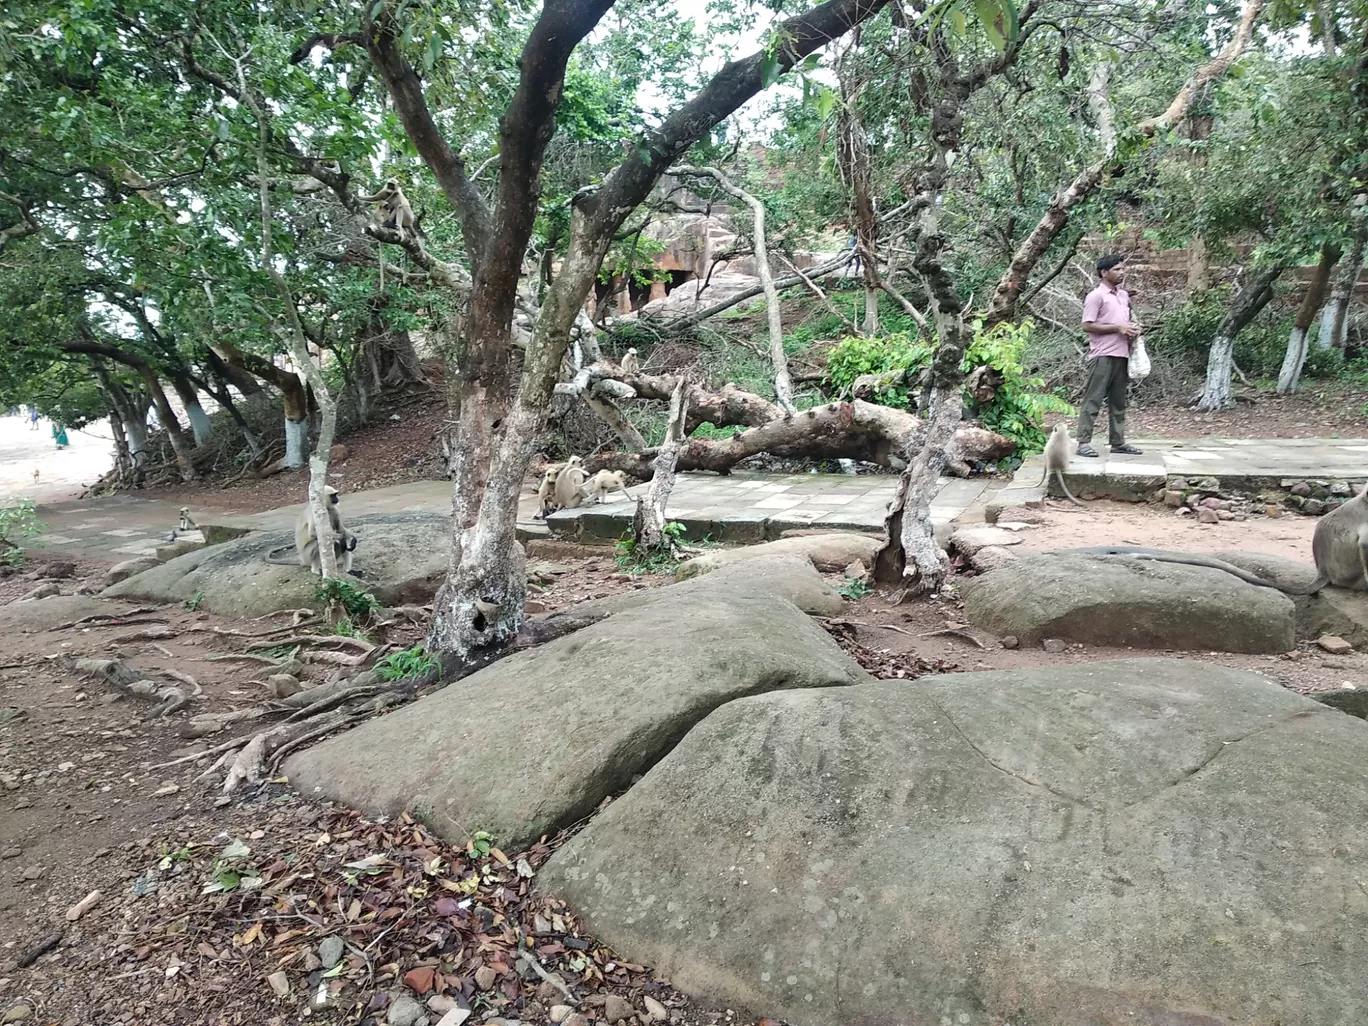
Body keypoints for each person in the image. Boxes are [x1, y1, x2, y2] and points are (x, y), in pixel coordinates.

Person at [1075, 253, 1143, 457]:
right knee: (1093, 399)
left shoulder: (1123, 296)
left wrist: (1132, 328)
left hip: (1123, 354)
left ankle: (1118, 441)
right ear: (1104, 273)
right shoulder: (1095, 296)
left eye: (1123, 268)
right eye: (1117, 269)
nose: (1122, 272)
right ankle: (1083, 443)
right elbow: (1087, 325)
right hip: (1102, 355)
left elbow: (1125, 321)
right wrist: (1118, 328)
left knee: (1119, 401)